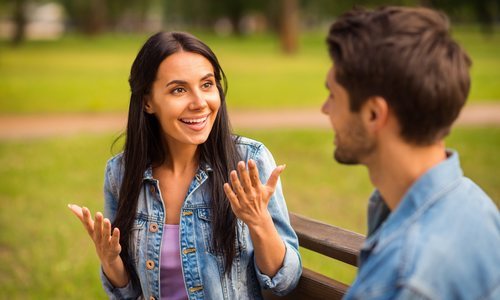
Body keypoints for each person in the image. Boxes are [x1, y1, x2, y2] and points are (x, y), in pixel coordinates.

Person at [68, 31, 301, 300]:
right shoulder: (121, 173)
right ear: (147, 101)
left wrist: (259, 222)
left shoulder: (248, 162)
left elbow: (285, 282)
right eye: (179, 89)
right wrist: (110, 261)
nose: (200, 103)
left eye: (207, 84)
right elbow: (127, 293)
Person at [321, 6, 500, 300]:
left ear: (373, 114)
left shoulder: (402, 281)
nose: (325, 109)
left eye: (332, 95)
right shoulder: (475, 204)